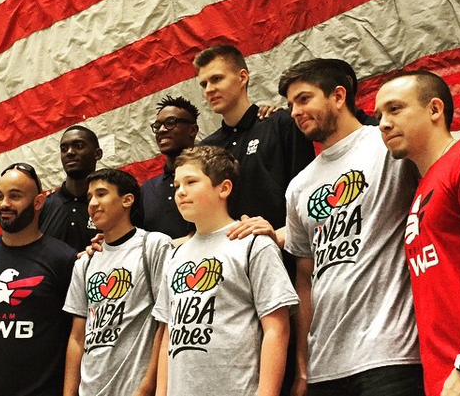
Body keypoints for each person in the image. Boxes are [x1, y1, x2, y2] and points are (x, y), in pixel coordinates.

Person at [280, 59, 424, 396]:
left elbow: (445, 149)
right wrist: (302, 366)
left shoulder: (387, 145)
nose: (295, 112)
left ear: (338, 96)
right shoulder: (299, 186)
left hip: (390, 354)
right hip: (325, 366)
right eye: (290, 105)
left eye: (304, 99)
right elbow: (305, 278)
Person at [375, 71, 460, 396]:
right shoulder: (422, 186)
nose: (383, 123)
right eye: (379, 115)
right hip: (445, 378)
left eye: (395, 109)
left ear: (435, 109)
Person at [153, 146, 299, 396]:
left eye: (191, 182)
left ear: (224, 188)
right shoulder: (176, 255)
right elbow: (169, 331)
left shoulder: (253, 243)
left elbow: (277, 328)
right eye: (176, 185)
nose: (181, 192)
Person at [0, 162, 76, 396]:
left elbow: (76, 335)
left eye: (15, 196)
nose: (4, 204)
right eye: (0, 196)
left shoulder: (64, 259)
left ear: (39, 202)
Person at [63, 169, 172, 396]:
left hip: (134, 387)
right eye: (89, 197)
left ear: (127, 200)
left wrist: (148, 386)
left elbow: (166, 321)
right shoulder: (85, 262)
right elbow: (77, 337)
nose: (93, 203)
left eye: (101, 194)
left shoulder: (153, 245)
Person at [195, 45, 315, 229]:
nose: (209, 90)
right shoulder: (205, 149)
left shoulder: (281, 123)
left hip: (284, 248)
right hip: (229, 253)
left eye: (217, 79)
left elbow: (306, 191)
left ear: (242, 77)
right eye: (204, 84)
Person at [140, 94, 199, 238]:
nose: (161, 130)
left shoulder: (212, 177)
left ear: (192, 130)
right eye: (157, 126)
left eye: (170, 122)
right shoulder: (146, 191)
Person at [40, 125, 103, 250]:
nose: (70, 152)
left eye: (78, 146)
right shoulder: (43, 206)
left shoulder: (111, 204)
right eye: (64, 149)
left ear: (97, 154)